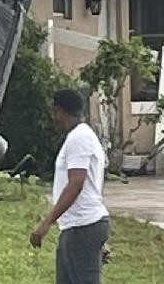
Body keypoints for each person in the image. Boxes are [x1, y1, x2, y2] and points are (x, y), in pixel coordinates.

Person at [30, 88, 110, 284]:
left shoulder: (79, 138)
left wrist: (45, 223)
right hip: (78, 227)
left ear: (61, 111)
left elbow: (76, 184)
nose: (53, 117)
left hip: (83, 227)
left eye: (54, 112)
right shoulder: (81, 136)